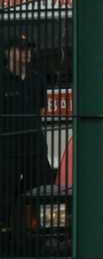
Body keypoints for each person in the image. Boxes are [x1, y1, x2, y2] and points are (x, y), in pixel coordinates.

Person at [0, 33, 51, 234]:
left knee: (41, 191)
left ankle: (37, 239)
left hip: (34, 148)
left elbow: (41, 110)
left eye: (28, 49)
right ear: (8, 52)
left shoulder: (37, 79)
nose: (26, 53)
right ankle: (5, 245)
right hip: (8, 149)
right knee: (5, 195)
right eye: (21, 49)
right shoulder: (2, 79)